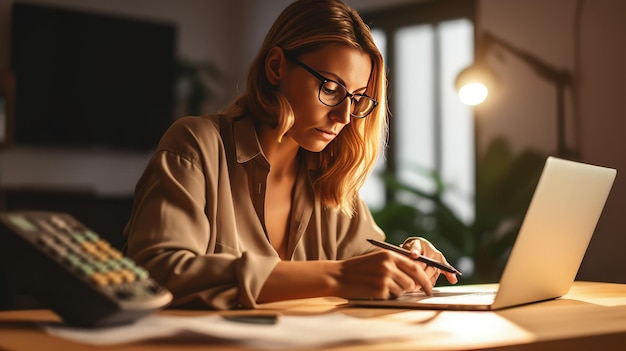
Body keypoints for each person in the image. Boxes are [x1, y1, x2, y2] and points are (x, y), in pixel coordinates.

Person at [123, 0, 458, 310]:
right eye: (330, 88)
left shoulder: (329, 177)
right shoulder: (196, 144)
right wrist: (337, 277)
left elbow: (365, 263)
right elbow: (157, 272)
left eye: (356, 99)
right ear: (276, 67)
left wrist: (409, 261)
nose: (343, 116)